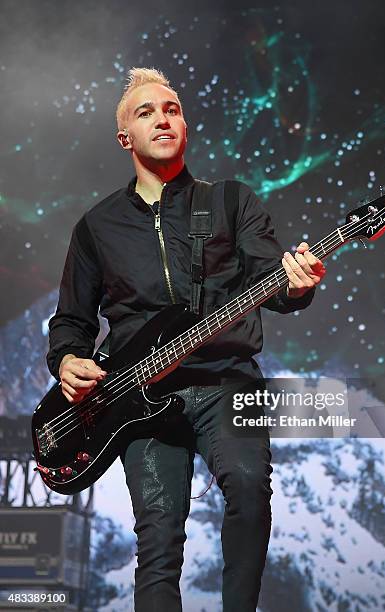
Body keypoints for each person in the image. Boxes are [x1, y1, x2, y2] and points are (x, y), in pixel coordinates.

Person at [47, 67, 326, 611]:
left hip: (228, 380)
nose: (163, 118)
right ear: (125, 137)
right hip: (135, 399)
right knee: (157, 536)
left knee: (248, 487)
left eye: (171, 109)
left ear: (185, 125)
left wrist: (296, 285)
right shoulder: (96, 227)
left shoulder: (230, 202)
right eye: (146, 112)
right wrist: (67, 361)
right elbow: (71, 320)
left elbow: (274, 285)